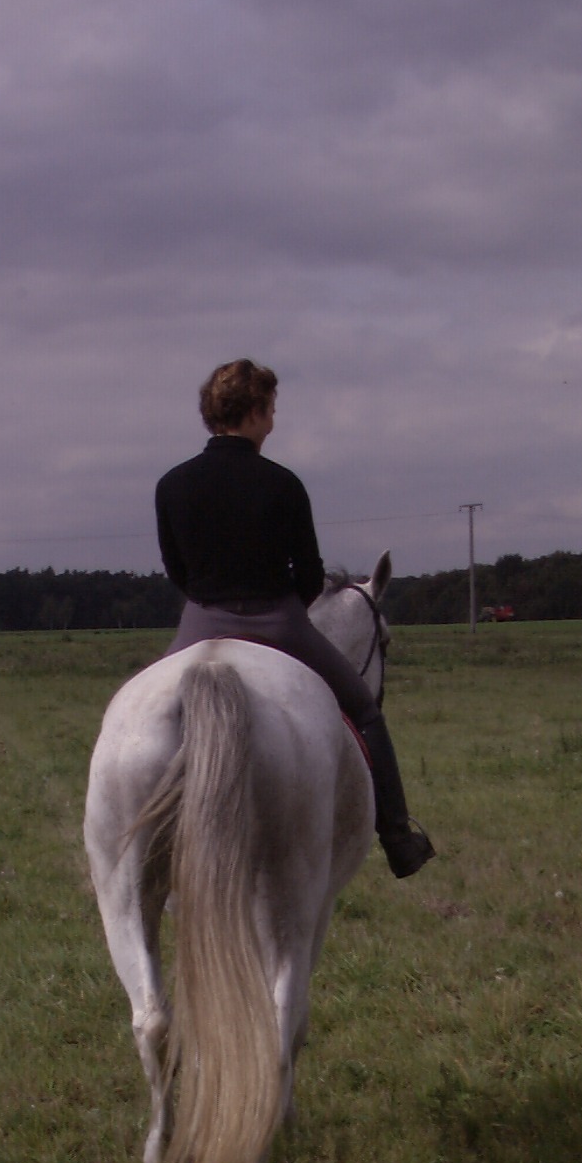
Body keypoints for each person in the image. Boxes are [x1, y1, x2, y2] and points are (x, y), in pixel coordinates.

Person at [155, 358, 434, 878]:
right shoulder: (283, 484)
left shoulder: (171, 485)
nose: (273, 419)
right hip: (277, 621)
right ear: (254, 413)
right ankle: (398, 838)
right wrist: (283, 607)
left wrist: (210, 602)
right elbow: (308, 575)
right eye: (271, 409)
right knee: (365, 712)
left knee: (144, 709)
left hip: (201, 620)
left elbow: (177, 569)